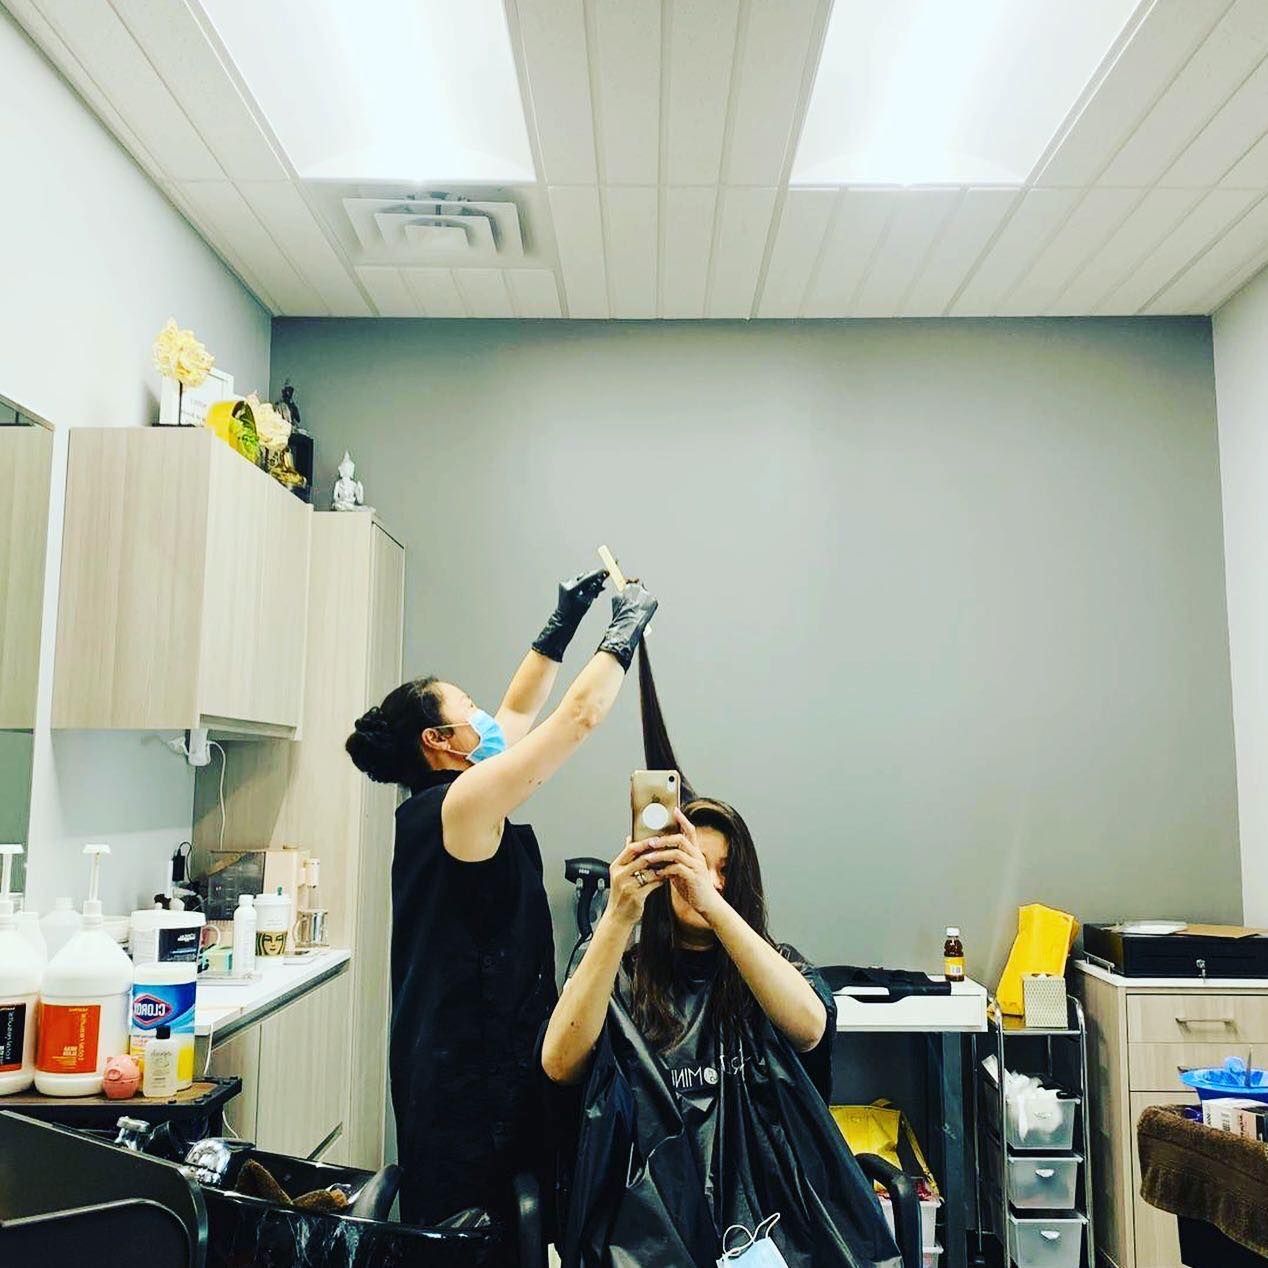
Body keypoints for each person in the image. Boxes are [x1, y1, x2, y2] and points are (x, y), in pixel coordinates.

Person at [345, 565, 657, 1236]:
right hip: (470, 1090)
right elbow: (577, 716)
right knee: (487, 1238)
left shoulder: (455, 795)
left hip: (479, 1061)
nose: (484, 718)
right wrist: (625, 630)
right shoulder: (457, 808)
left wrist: (562, 624)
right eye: (466, 712)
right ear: (439, 743)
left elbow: (517, 710)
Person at [539, 799, 904, 1268]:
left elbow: (811, 1028)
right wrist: (617, 916)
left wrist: (712, 904)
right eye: (689, 864)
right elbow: (558, 1063)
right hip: (645, 1232)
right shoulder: (617, 973)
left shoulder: (771, 968)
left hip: (772, 1227)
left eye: (724, 869)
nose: (705, 878)